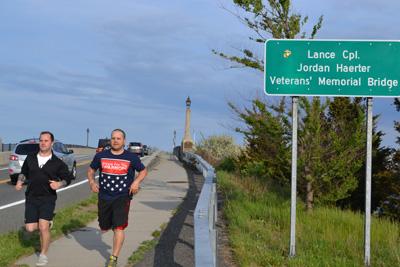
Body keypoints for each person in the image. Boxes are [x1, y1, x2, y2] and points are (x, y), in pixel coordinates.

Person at [87, 129, 147, 267]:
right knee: (104, 227)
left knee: (119, 228)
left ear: (124, 141)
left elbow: (143, 171)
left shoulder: (131, 158)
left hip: (122, 197)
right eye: (113, 138)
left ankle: (113, 258)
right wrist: (91, 182)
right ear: (110, 140)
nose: (115, 141)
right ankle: (107, 224)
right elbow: (91, 170)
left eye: (118, 138)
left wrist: (136, 182)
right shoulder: (101, 156)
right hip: (104, 196)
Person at [15, 131, 72, 266]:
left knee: (43, 227)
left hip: (48, 198)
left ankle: (43, 255)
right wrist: (19, 181)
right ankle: (46, 223)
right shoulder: (31, 158)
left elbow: (68, 178)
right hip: (31, 197)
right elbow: (24, 172)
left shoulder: (57, 162)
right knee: (30, 228)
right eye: (41, 140)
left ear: (51, 143)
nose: (43, 143)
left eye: (46, 141)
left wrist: (59, 184)